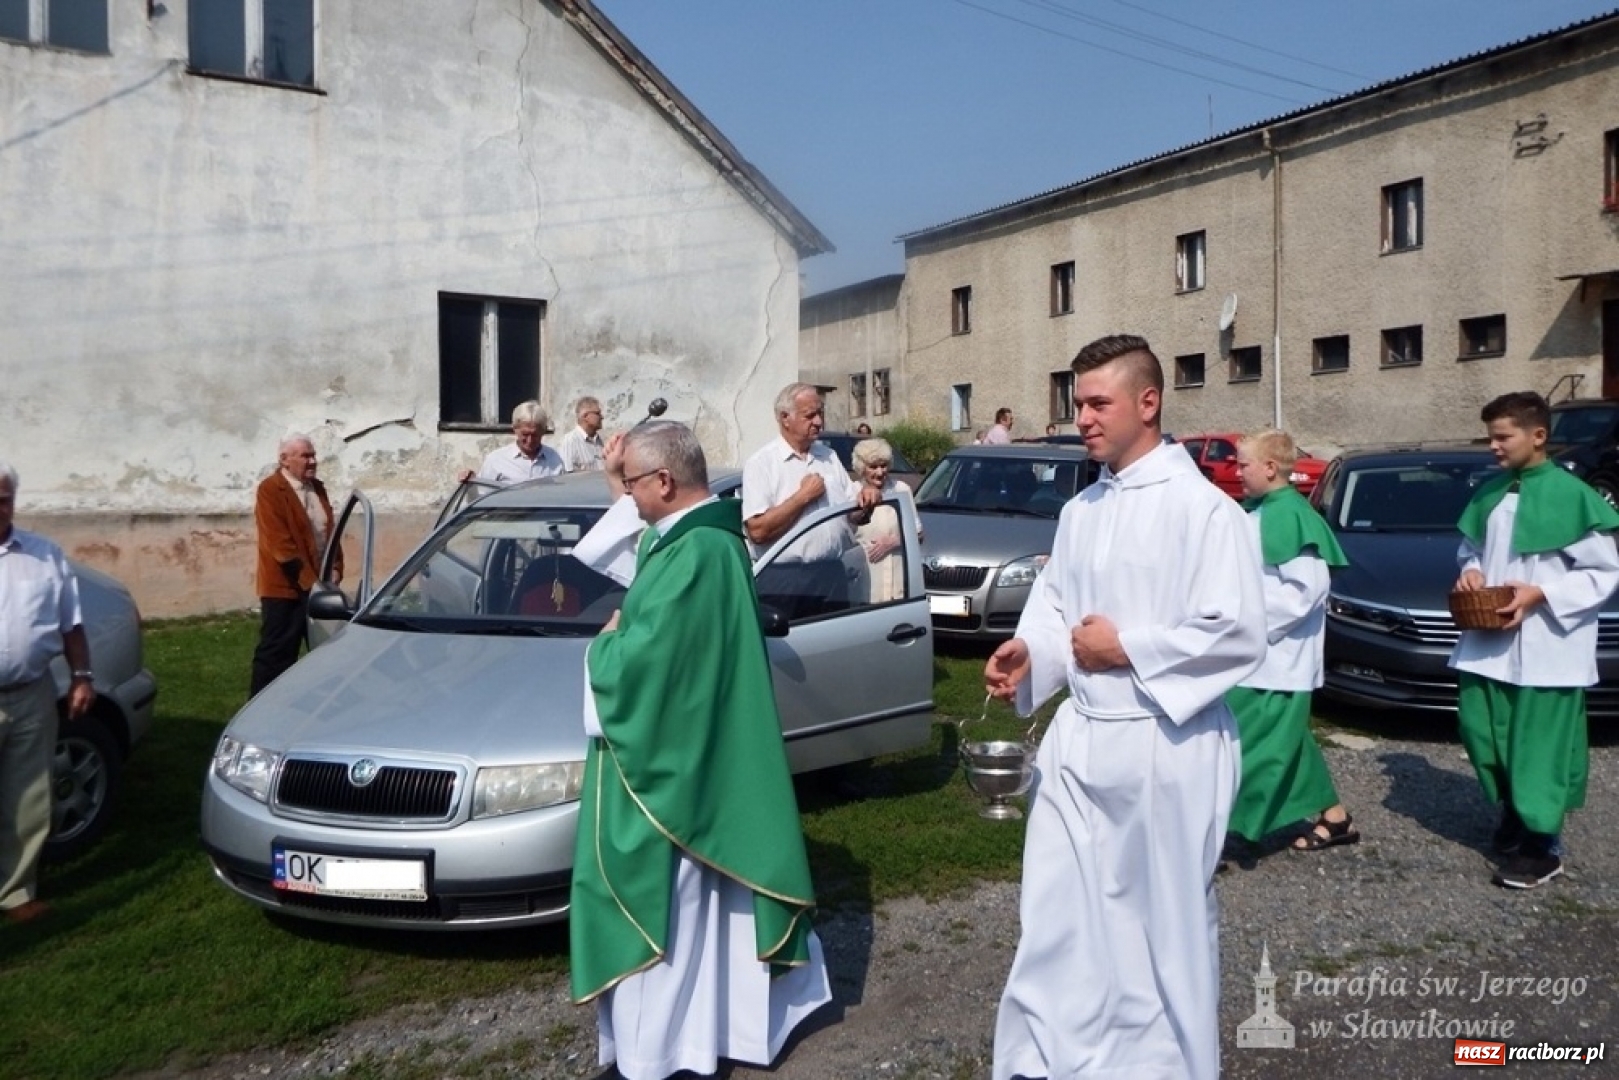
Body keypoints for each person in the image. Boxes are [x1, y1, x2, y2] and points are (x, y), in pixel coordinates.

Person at [983, 334, 1266, 1080]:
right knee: (1059, 912)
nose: (1082, 417)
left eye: (1096, 402)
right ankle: (1053, 1054)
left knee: (1157, 925)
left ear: (1148, 402)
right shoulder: (1082, 510)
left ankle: (1160, 1064)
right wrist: (1028, 654)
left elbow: (1236, 631)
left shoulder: (1206, 512)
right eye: (1077, 403)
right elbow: (1056, 610)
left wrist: (1129, 648)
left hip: (1165, 743)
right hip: (1080, 739)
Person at [570, 421, 832, 1079]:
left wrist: (604, 645)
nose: (627, 497)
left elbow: (646, 661)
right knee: (704, 915)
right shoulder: (696, 541)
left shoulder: (698, 554)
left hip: (680, 765)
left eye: (631, 485)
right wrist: (612, 480)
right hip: (699, 752)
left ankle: (664, 1052)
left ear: (664, 481)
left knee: (678, 912)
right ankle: (696, 1038)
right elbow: (637, 565)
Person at [1449, 391, 1619, 889]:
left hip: (1548, 646)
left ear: (1538, 436)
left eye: (1503, 437)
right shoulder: (1490, 493)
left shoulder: (1574, 496)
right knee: (1486, 734)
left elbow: (1605, 573)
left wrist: (1541, 592)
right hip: (1489, 644)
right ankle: (1516, 811)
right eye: (1491, 437)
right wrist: (1473, 573)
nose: (1493, 446)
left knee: (1538, 747)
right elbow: (1469, 548)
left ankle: (1542, 843)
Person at [1224, 429, 1356, 861]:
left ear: (1269, 468)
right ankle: (1335, 816)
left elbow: (1304, 593)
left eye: (1243, 465)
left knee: (1252, 744)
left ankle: (1227, 828)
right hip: (1251, 654)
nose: (1235, 471)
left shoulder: (1292, 516)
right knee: (1285, 740)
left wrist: (1248, 626)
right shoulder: (1258, 511)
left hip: (1275, 658)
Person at [0, 462, 95, 923]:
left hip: (30, 694)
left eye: (3, 499)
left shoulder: (44, 556)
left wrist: (82, 676)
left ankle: (16, 892)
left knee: (29, 797)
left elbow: (71, 624)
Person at [741, 383, 877, 617]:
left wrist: (865, 502)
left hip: (831, 574)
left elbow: (851, 513)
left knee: (834, 648)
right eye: (810, 415)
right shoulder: (762, 464)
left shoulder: (828, 457)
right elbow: (758, 531)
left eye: (820, 413)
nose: (818, 422)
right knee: (787, 651)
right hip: (784, 581)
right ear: (785, 418)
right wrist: (802, 497)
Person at [250, 435, 336, 696]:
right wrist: (312, 586)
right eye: (305, 456)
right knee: (276, 654)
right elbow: (281, 546)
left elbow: (329, 532)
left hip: (318, 586)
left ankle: (315, 708)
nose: (312, 461)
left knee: (325, 653)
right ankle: (261, 708)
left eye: (313, 455)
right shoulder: (270, 490)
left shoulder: (317, 488)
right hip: (285, 589)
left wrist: (335, 569)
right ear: (284, 460)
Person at [852, 437, 922, 603]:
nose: (880, 472)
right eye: (873, 467)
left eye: (883, 466)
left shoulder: (901, 490)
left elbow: (918, 535)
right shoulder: (853, 492)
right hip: (866, 586)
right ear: (862, 468)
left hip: (898, 583)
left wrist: (894, 542)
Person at [458, 401, 565, 484]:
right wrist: (472, 481)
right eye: (525, 434)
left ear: (543, 431)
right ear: (515, 429)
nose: (530, 440)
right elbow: (481, 497)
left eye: (535, 435)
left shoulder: (554, 460)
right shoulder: (496, 460)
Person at [557, 396, 606, 473]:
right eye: (597, 413)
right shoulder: (570, 441)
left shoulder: (598, 441)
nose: (602, 417)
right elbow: (567, 476)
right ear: (585, 416)